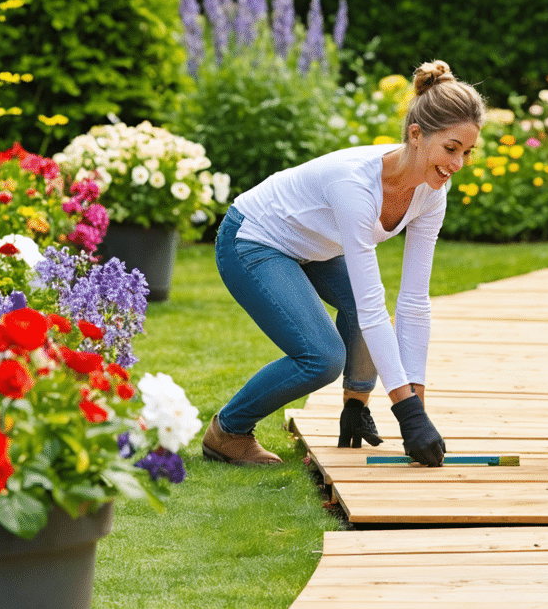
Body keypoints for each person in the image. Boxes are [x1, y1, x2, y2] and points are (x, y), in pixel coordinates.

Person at [202, 61, 485, 468]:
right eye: (451, 148)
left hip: (314, 244)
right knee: (322, 357)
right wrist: (407, 414)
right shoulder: (355, 185)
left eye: (467, 152)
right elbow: (370, 303)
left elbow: (414, 303)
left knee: (368, 313)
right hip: (255, 237)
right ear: (416, 134)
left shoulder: (431, 192)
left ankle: (356, 406)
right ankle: (227, 431)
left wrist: (417, 413)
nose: (457, 164)